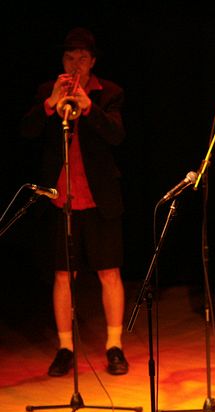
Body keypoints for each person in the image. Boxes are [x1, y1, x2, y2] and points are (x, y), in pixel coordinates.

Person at [19, 27, 128, 376]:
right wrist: (51, 103)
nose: (76, 63)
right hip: (60, 199)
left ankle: (115, 346)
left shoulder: (109, 93)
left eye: (82, 57)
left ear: (93, 61)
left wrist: (89, 108)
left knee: (109, 272)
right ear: (62, 61)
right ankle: (65, 348)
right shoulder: (45, 92)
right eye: (69, 57)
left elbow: (116, 136)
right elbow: (27, 132)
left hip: (98, 198)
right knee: (64, 274)